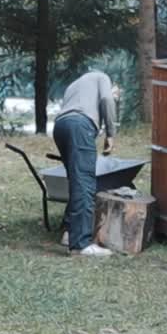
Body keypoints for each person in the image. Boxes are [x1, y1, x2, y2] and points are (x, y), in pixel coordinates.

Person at [52, 70, 119, 257]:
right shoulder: (103, 76)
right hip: (80, 125)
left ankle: (68, 233)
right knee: (84, 183)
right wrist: (111, 134)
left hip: (61, 127)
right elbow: (106, 100)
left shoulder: (74, 84)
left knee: (76, 181)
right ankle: (80, 244)